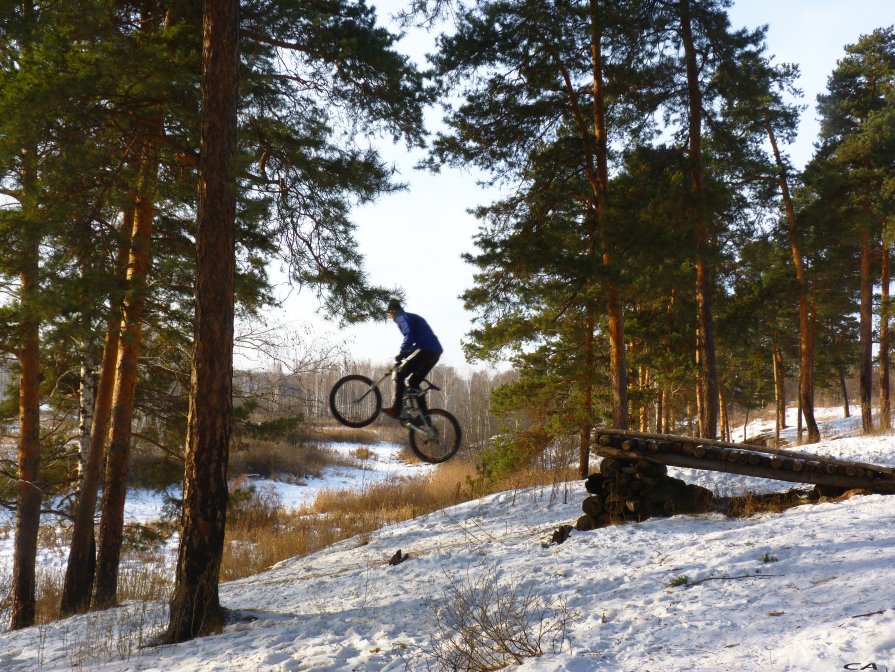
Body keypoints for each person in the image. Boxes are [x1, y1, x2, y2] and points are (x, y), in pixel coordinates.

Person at [381, 298, 443, 420]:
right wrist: (405, 354)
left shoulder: (401, 317)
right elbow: (417, 339)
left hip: (425, 349)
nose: (390, 317)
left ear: (393, 311)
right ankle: (425, 419)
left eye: (389, 314)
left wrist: (402, 352)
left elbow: (410, 335)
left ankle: (396, 409)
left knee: (400, 375)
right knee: (414, 383)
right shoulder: (411, 316)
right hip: (435, 351)